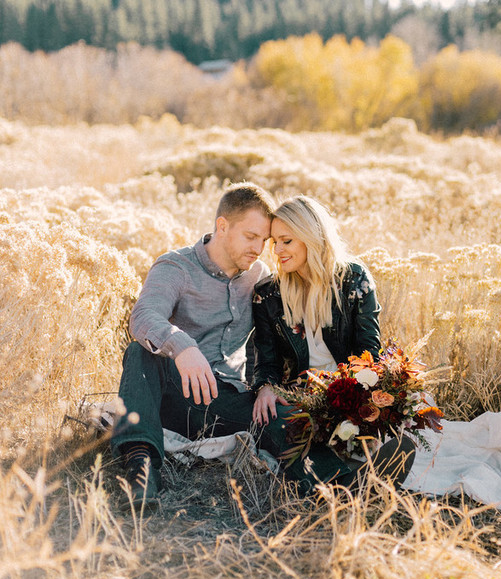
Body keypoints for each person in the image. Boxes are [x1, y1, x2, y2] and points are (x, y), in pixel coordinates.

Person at [111, 182, 275, 509]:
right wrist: (182, 346)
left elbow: (265, 344)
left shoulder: (258, 274)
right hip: (178, 395)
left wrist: (265, 386)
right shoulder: (176, 266)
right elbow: (144, 316)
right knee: (141, 352)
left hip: (228, 401)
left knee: (286, 414)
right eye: (251, 236)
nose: (259, 248)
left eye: (264, 240)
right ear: (222, 226)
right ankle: (141, 467)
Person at [251, 194, 416, 493]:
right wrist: (265, 387)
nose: (278, 251)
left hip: (347, 390)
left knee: (370, 419)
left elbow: (369, 351)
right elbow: (267, 359)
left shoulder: (353, 280)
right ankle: (344, 483)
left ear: (310, 238)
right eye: (274, 242)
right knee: (273, 419)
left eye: (286, 241)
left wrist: (357, 399)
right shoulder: (269, 294)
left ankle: (345, 473)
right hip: (299, 398)